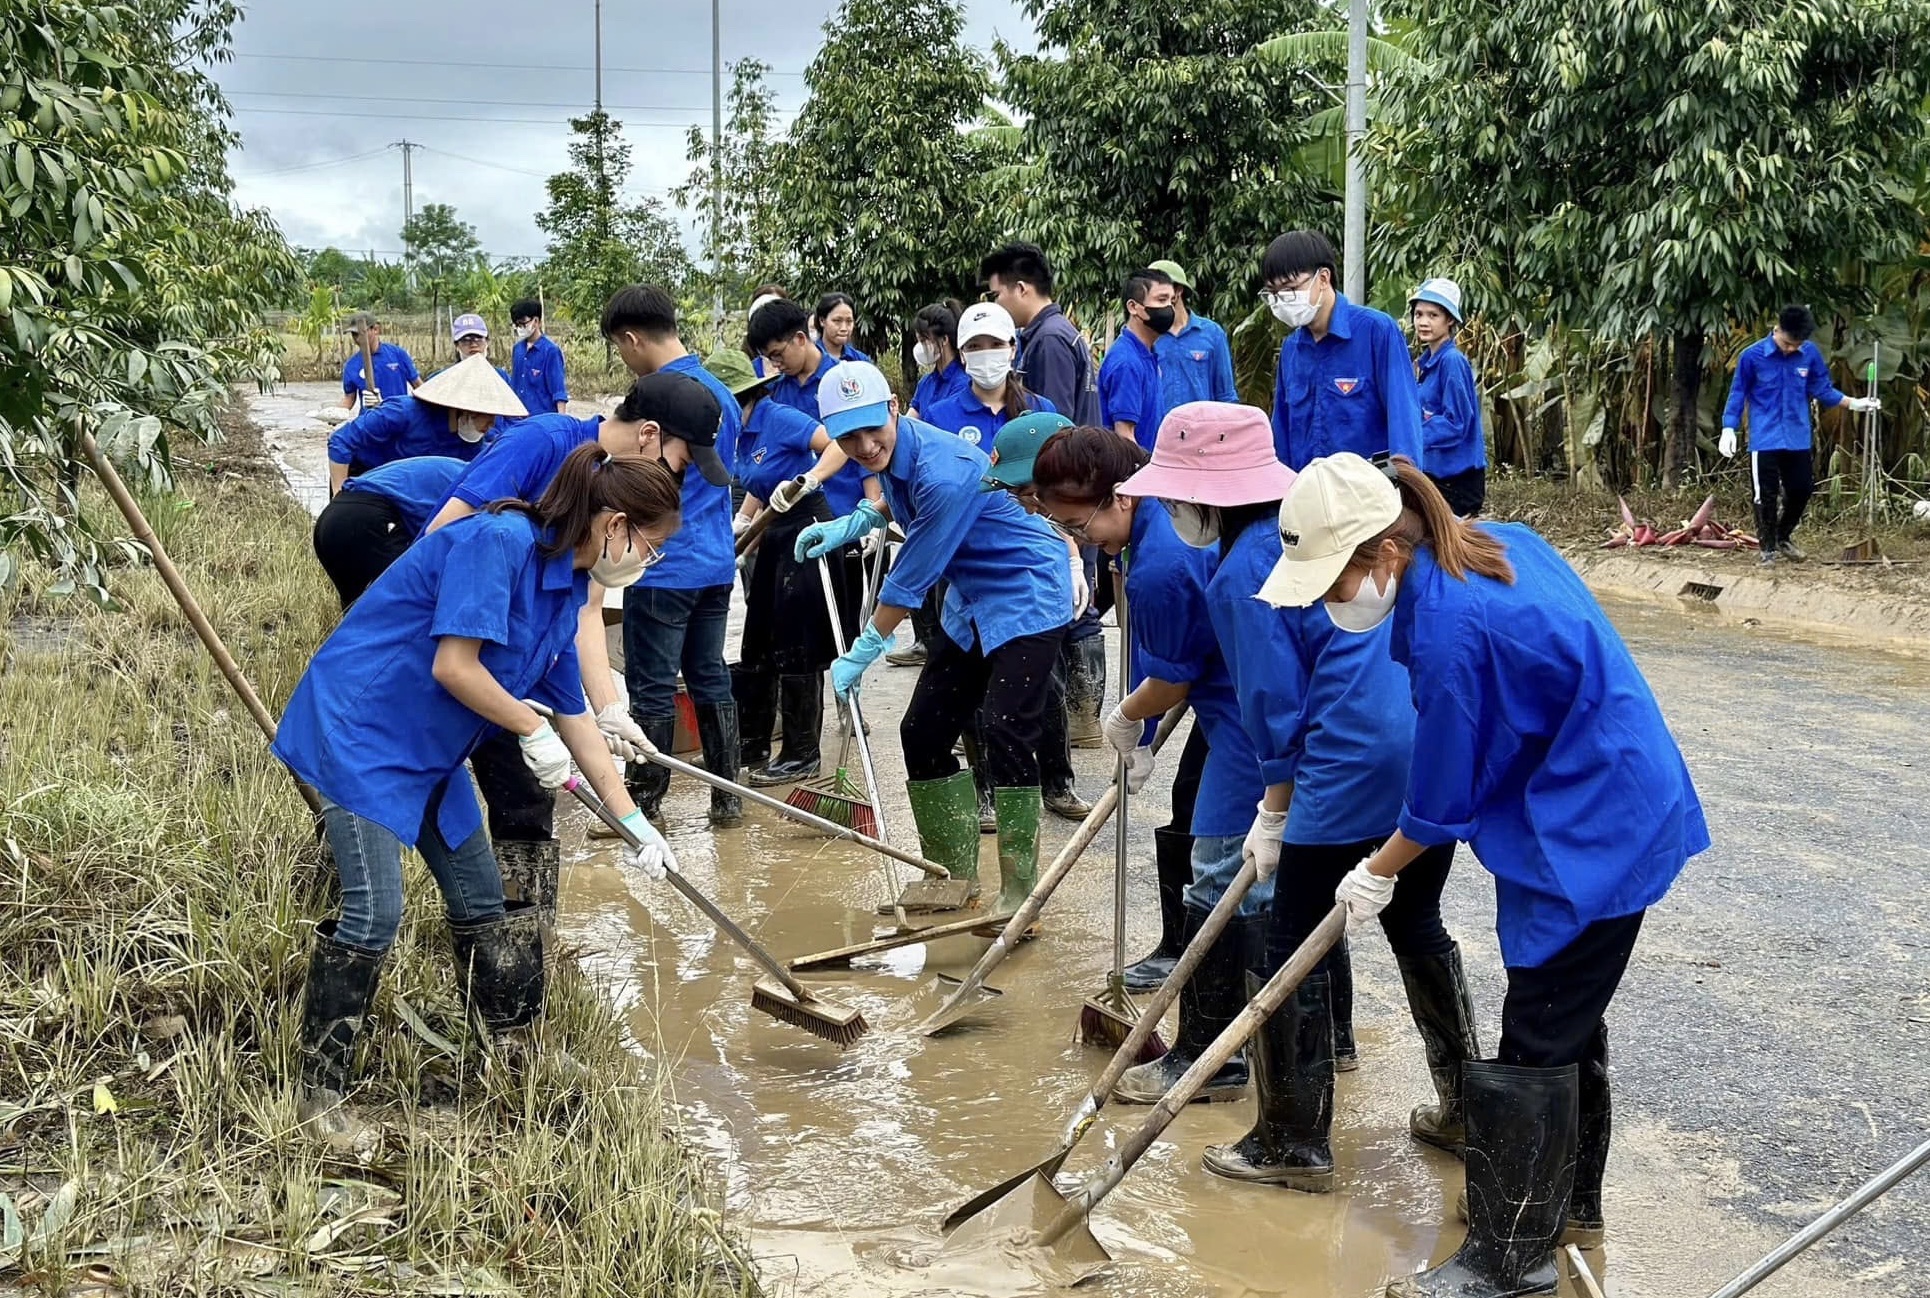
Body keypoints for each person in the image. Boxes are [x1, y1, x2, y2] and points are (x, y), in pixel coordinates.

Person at [1258, 453, 1709, 1294]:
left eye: (1331, 583)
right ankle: (1564, 1208)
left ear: (1385, 552)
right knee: (1565, 1016)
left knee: (1537, 1031)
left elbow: (1437, 805)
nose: (1328, 604)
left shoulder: (1450, 628)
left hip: (1591, 824)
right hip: (1588, 791)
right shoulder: (1490, 540)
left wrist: (1373, 875)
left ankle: (1508, 1260)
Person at [274, 445, 683, 1145]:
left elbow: (579, 723)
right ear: (614, 524)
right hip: (365, 730)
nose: (648, 561)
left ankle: (511, 1051)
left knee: (482, 899)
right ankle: (320, 1093)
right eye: (650, 545)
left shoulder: (565, 589)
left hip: (433, 748)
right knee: (376, 913)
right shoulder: (500, 543)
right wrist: (529, 727)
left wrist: (635, 822)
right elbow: (455, 666)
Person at [1117, 405, 1477, 1190]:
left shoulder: (1249, 570)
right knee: (1416, 919)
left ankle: (1291, 1141)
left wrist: (1275, 809)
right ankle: (1463, 1107)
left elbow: (1273, 711)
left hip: (1346, 761)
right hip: (1422, 749)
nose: (1171, 515)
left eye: (1175, 500)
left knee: (1290, 938)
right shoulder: (1334, 528)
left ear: (1204, 499)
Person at [421, 372, 721, 901]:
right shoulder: (545, 444)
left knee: (527, 792)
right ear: (649, 435)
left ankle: (522, 924)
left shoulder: (603, 498)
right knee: (502, 769)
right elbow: (443, 538)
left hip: (507, 640)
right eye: (680, 463)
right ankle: (501, 921)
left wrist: (606, 710)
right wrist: (524, 715)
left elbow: (580, 608)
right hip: (453, 625)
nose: (675, 482)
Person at [797, 361, 1076, 913]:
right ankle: (953, 878)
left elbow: (909, 580)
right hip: (971, 600)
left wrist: (863, 650)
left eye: (872, 429)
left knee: (1005, 727)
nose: (864, 444)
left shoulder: (946, 470)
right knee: (922, 730)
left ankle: (1020, 895)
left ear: (894, 409)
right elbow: (903, 502)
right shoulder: (905, 451)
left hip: (1025, 592)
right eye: (848, 436)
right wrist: (859, 519)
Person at [997, 421, 1244, 1013]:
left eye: (1079, 526)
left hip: (1245, 706)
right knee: (1197, 816)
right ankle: (1182, 951)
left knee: (1223, 867)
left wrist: (1129, 718)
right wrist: (1147, 734)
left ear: (1121, 495)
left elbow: (1175, 674)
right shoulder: (1155, 521)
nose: (1078, 539)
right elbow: (1168, 657)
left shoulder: (1163, 561)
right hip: (1230, 690)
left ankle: (1215, 1044)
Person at [926, 310, 1092, 821]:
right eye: (973, 344)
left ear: (1013, 347)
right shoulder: (942, 414)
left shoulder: (1040, 412)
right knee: (979, 693)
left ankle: (1056, 781)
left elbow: (1064, 493)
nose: (985, 353)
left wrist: (1072, 559)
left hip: (1035, 571)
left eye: (994, 342)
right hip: (971, 571)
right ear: (960, 350)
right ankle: (988, 789)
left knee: (1045, 684)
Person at [600, 285, 745, 827]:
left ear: (632, 340)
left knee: (653, 685)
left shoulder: (656, 400)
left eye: (620, 348)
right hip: (715, 562)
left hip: (664, 565)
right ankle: (729, 799)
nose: (625, 359)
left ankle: (644, 805)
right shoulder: (721, 395)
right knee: (710, 674)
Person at [710, 347, 860, 786]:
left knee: (798, 643)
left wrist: (807, 480)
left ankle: (801, 752)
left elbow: (838, 447)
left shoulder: (781, 418)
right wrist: (743, 529)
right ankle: (753, 741)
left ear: (742, 396)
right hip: (771, 531)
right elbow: (760, 482)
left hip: (808, 526)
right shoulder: (735, 431)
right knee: (757, 639)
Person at [1720, 304, 1879, 564]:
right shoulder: (1753, 356)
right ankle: (1767, 548)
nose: (1793, 348)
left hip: (1797, 436)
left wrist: (1854, 402)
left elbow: (1822, 389)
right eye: (1788, 343)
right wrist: (1729, 426)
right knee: (1765, 494)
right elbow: (1738, 392)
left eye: (1798, 344)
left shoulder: (1810, 354)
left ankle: (1783, 535)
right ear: (1778, 330)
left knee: (1802, 489)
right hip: (1765, 437)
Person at [1260, 230, 1424, 470]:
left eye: (1290, 288)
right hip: (1307, 493)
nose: (1283, 300)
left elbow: (1404, 423)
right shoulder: (1291, 350)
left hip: (1368, 495)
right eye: (1274, 293)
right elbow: (1282, 434)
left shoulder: (1376, 332)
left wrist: (1402, 489)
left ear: (1323, 278)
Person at [892, 301, 974, 668]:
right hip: (922, 491)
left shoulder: (964, 381)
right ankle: (928, 642)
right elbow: (907, 426)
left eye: (923, 339)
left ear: (941, 340)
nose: (919, 346)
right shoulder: (929, 384)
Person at [747, 297, 876, 517]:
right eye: (769, 358)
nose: (775, 364)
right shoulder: (775, 390)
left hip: (846, 511)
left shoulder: (843, 382)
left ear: (799, 339)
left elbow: (869, 449)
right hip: (796, 516)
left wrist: (873, 512)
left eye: (778, 355)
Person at [327, 355, 527, 494]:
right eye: (487, 417)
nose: (492, 425)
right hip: (363, 474)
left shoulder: (477, 444)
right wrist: (339, 494)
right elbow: (340, 441)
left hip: (408, 489)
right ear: (464, 411)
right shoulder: (401, 413)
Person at [311, 456, 466, 607]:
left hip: (330, 519)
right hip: (364, 518)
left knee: (357, 613)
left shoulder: (459, 470)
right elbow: (438, 540)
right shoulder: (475, 488)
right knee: (404, 605)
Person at [979, 241, 1099, 425]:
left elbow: (1054, 425)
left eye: (996, 295)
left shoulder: (1050, 339)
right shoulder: (1050, 332)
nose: (996, 304)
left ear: (1021, 289)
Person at [1409, 278, 1488, 516]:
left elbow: (1456, 423)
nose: (1423, 322)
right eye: (1419, 314)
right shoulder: (1427, 364)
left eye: (1433, 316)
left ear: (1450, 320)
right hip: (1434, 475)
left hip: (1456, 481)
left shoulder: (1452, 362)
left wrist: (1412, 436)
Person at [1096, 266, 1176, 450]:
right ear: (1133, 307)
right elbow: (1125, 435)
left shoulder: (1147, 355)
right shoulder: (1127, 362)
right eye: (1161, 300)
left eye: (1172, 301)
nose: (1169, 308)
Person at [1148, 258, 1238, 409]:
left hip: (1203, 430)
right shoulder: (1148, 336)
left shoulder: (1212, 334)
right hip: (1159, 430)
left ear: (1177, 291)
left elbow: (1226, 395)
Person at [338, 312, 421, 412]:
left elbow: (418, 386)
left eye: (360, 333)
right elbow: (349, 398)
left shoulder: (398, 354)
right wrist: (335, 413)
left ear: (376, 329)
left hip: (399, 418)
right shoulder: (352, 365)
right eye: (354, 334)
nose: (357, 338)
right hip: (369, 421)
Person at [909, 301, 971, 419]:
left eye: (923, 340)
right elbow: (909, 423)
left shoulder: (963, 384)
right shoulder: (926, 383)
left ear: (944, 340)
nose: (920, 347)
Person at [509, 298, 570, 416]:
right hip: (518, 418)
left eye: (523, 323)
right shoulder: (517, 350)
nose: (519, 328)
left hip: (542, 420)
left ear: (536, 321)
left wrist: (561, 422)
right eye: (516, 324)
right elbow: (515, 384)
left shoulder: (551, 351)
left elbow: (558, 390)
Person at [813, 292, 870, 363]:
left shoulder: (861, 360)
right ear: (822, 321)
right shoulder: (810, 359)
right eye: (837, 321)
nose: (844, 328)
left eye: (849, 321)